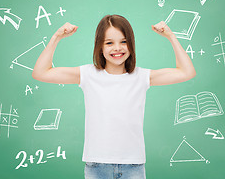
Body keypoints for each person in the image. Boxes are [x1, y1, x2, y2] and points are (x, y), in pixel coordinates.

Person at [32, 14, 196, 179]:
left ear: (131, 45)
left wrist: (171, 37)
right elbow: (40, 72)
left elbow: (187, 72)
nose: (117, 48)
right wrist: (56, 37)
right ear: (100, 47)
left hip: (133, 166)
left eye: (123, 42)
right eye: (109, 43)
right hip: (96, 166)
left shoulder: (142, 76)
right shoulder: (88, 74)